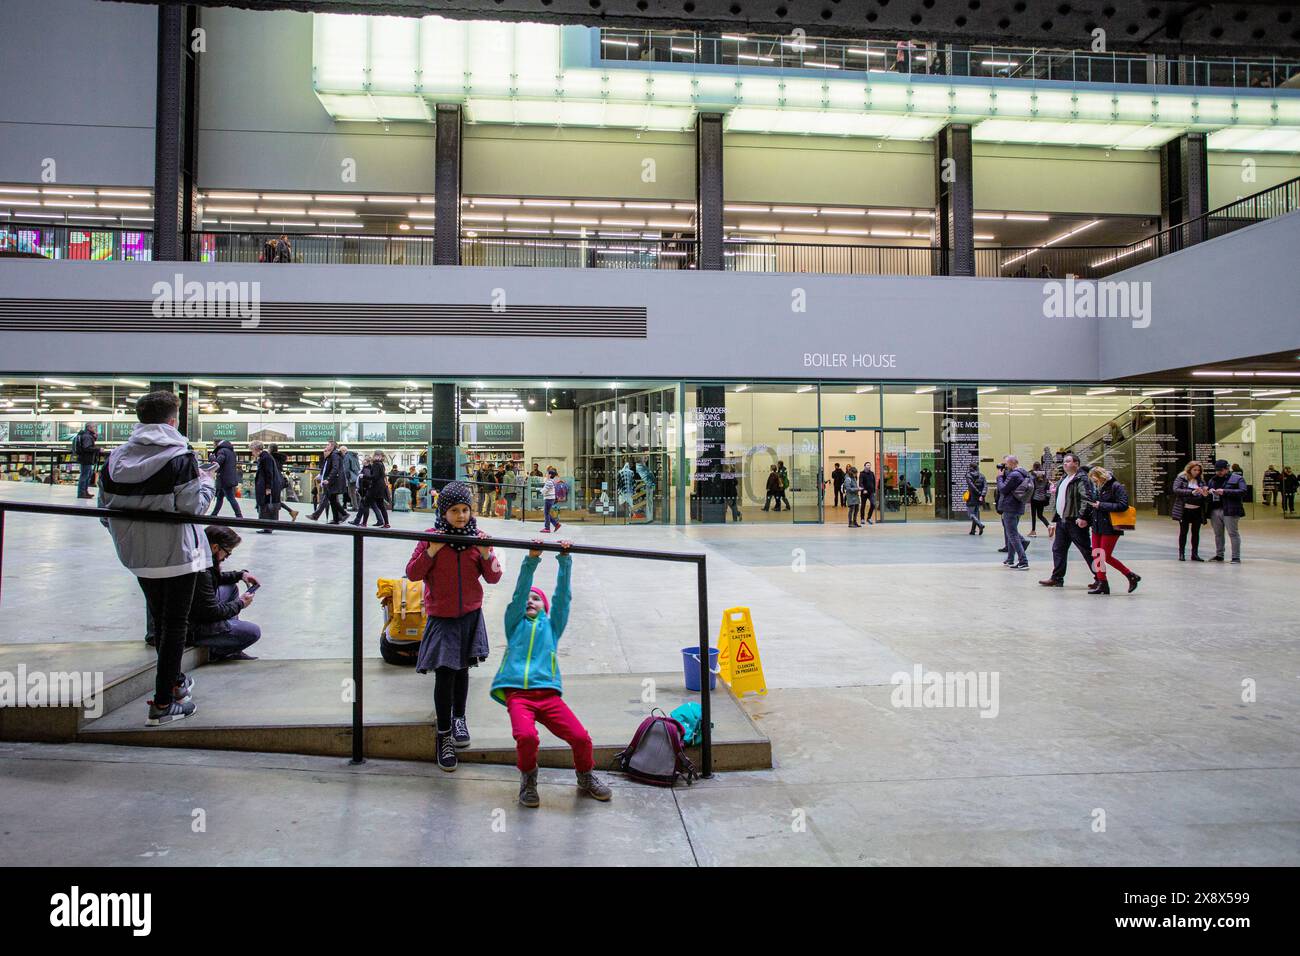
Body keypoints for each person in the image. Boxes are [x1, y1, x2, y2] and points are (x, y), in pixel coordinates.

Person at [98, 390, 214, 726]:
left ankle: (175, 683)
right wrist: (207, 481)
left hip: (137, 555)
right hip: (177, 554)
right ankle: (163, 703)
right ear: (173, 420)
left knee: (160, 620)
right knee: (176, 624)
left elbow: (104, 510)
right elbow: (195, 506)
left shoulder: (116, 458)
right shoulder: (180, 457)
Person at [492, 538, 611, 808]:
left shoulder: (552, 626)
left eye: (537, 598)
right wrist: (532, 559)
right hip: (518, 695)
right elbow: (519, 592)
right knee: (526, 736)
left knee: (581, 738)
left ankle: (585, 775)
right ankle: (529, 779)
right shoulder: (514, 623)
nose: (530, 601)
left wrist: (564, 560)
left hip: (548, 695)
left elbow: (562, 598)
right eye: (528, 599)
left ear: (545, 607)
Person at [406, 481, 503, 772]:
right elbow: (412, 573)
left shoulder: (478, 539)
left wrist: (487, 554)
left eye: (465, 510)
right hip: (442, 617)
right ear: (443, 512)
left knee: (462, 670)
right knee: (445, 674)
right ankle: (443, 733)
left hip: (470, 616)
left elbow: (494, 577)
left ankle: (460, 718)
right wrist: (431, 552)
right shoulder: (431, 538)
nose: (460, 516)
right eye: (454, 511)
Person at [189, 525, 261, 662]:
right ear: (215, 547)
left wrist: (240, 575)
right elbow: (211, 612)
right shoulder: (201, 569)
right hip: (193, 626)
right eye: (227, 553)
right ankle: (219, 649)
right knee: (253, 632)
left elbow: (213, 578)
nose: (226, 557)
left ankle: (228, 639)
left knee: (230, 587)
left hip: (197, 613)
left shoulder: (199, 556)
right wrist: (240, 603)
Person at [1039, 452, 1094, 587]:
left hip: (1075, 520)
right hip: (1063, 520)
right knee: (1058, 549)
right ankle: (1057, 577)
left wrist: (1083, 516)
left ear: (1076, 463)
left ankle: (1100, 577)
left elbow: (1086, 499)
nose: (1065, 464)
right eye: (1064, 462)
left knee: (1086, 550)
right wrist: (1055, 519)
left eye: (1068, 461)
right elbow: (1060, 500)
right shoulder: (1065, 478)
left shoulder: (1081, 479)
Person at [1084, 466, 1140, 594]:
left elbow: (1123, 505)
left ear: (1101, 477)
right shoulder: (1097, 487)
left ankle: (1130, 575)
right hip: (1097, 525)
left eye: (1095, 479)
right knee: (1097, 555)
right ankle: (1102, 583)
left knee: (1105, 555)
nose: (1094, 482)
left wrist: (1101, 505)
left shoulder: (1116, 486)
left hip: (1110, 526)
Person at [1206, 458, 1246, 563]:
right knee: (1218, 534)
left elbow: (1243, 491)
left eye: (1221, 470)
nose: (1219, 472)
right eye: (1217, 470)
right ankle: (1219, 555)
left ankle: (1236, 557)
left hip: (1230, 510)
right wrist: (1209, 492)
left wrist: (1225, 491)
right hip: (1215, 509)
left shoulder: (1237, 478)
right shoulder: (1212, 480)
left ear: (1227, 469)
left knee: (1233, 533)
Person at [995, 455, 1031, 570]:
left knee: (1012, 534)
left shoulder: (1014, 475)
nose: (1004, 466)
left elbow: (1003, 489)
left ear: (1011, 463)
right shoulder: (1023, 473)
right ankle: (1010, 559)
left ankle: (1023, 561)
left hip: (1010, 507)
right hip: (1017, 506)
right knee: (1012, 533)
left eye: (1006, 464)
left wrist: (999, 477)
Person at [1170, 460, 1209, 561]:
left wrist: (1204, 493)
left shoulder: (1200, 480)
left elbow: (1204, 493)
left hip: (1197, 510)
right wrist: (1191, 492)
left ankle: (1194, 553)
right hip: (1185, 509)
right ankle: (1181, 553)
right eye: (1194, 470)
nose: (1197, 472)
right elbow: (1176, 490)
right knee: (1184, 531)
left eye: (1198, 470)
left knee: (1196, 532)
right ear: (1189, 470)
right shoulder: (1181, 478)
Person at [308, 440, 347, 524]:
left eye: (328, 445)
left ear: (332, 446)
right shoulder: (331, 455)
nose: (326, 446)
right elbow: (325, 468)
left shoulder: (334, 455)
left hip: (333, 481)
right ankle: (337, 519)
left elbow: (335, 468)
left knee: (331, 499)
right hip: (332, 480)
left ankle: (344, 514)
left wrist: (328, 479)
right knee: (332, 500)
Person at [251, 440, 281, 534]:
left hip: (266, 486)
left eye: (252, 450)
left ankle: (267, 526)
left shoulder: (265, 458)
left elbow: (269, 473)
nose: (252, 453)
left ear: (256, 449)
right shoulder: (264, 457)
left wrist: (268, 488)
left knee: (265, 505)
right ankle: (266, 526)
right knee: (264, 505)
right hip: (265, 485)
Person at [208, 438, 242, 518]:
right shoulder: (231, 451)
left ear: (217, 444)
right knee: (220, 497)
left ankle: (239, 516)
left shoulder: (222, 451)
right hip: (228, 478)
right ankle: (214, 514)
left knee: (230, 498)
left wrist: (211, 458)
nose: (213, 446)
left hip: (224, 479)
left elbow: (217, 463)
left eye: (213, 444)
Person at [269, 443, 299, 521]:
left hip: (275, 480)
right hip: (280, 480)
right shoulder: (279, 458)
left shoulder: (271, 458)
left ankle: (274, 519)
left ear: (270, 449)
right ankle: (292, 512)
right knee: (275, 499)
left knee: (274, 499)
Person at [73, 423, 98, 498]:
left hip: (85, 459)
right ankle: (82, 493)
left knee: (87, 475)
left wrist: (94, 437)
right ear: (89, 427)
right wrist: (98, 449)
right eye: (94, 427)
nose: (95, 428)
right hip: (86, 459)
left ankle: (84, 492)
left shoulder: (86, 435)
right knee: (85, 476)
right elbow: (87, 448)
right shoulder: (87, 436)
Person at [965, 461, 987, 535]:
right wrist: (982, 495)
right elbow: (985, 486)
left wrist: (978, 492)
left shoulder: (968, 475)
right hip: (979, 498)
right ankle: (973, 530)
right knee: (976, 514)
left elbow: (971, 487)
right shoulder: (982, 475)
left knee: (970, 514)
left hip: (972, 497)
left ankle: (980, 525)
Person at [1028, 464, 1050, 536]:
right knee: (1040, 515)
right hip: (1042, 498)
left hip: (1034, 498)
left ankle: (1033, 531)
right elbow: (1047, 488)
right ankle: (1049, 526)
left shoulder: (1033, 476)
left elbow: (1030, 487)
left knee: (1033, 515)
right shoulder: (1045, 477)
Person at [540, 465, 563, 533]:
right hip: (551, 498)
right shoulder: (552, 481)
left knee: (546, 513)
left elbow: (545, 489)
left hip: (549, 499)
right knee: (547, 513)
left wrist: (541, 491)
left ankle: (547, 528)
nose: (546, 475)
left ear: (549, 475)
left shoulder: (549, 482)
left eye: (547, 474)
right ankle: (556, 524)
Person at [340, 445, 361, 513]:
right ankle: (359, 505)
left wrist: (348, 477)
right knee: (355, 492)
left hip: (351, 477)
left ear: (343, 451)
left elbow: (346, 468)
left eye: (341, 451)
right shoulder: (354, 455)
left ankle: (355, 507)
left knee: (351, 492)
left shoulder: (346, 456)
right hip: (356, 475)